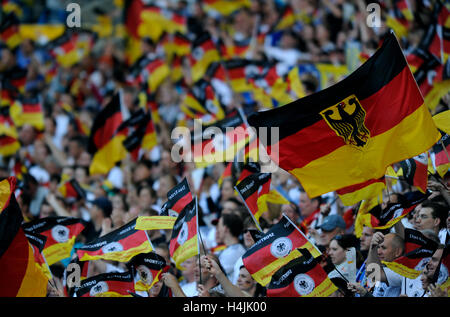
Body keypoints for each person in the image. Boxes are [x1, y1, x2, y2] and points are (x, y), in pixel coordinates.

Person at [366, 232, 405, 297]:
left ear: (397, 252)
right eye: (378, 247)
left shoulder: (401, 272)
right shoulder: (384, 268)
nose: (378, 252)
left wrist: (372, 246)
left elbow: (371, 273)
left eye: (383, 248)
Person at [215, 213, 246, 281]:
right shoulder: (231, 250)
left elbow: (215, 274)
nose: (217, 230)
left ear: (225, 229)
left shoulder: (235, 252)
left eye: (219, 226)